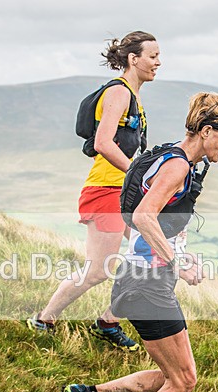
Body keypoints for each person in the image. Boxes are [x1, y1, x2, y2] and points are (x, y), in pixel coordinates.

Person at [62, 92, 218, 392]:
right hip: (146, 284)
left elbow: (157, 221)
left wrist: (181, 255)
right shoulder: (177, 166)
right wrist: (176, 264)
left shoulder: (174, 158)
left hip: (145, 279)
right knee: (183, 380)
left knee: (170, 375)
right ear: (207, 131)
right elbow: (143, 217)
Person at [27, 31, 161, 352]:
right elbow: (103, 143)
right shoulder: (118, 93)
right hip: (106, 191)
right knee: (98, 270)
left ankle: (109, 321)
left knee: (154, 257)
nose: (158, 62)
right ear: (134, 59)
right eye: (153, 56)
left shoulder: (134, 96)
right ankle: (44, 320)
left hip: (126, 192)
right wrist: (136, 173)